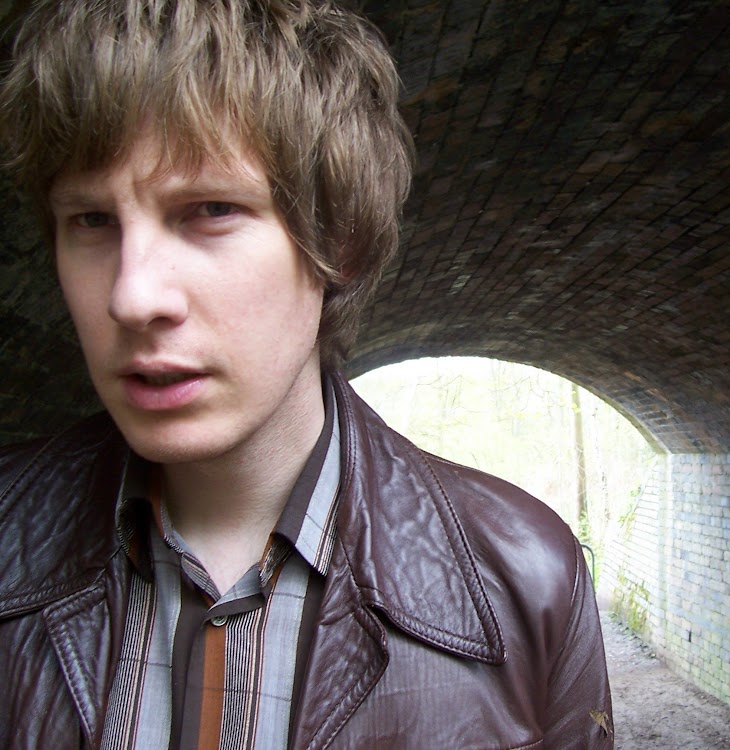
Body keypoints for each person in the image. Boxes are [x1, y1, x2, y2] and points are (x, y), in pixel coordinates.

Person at [0, 1, 614, 748]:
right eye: (92, 220)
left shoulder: (527, 581)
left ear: (339, 241)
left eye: (210, 209)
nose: (132, 296)